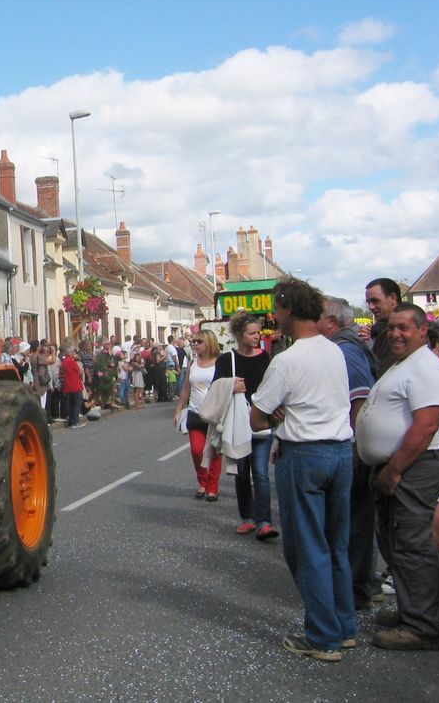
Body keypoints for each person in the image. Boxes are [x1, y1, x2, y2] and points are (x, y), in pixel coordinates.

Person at [250, 277, 354, 663]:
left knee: (308, 547)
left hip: (305, 454)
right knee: (336, 544)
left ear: (288, 309)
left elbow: (257, 419)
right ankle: (343, 628)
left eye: (277, 308)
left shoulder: (287, 360)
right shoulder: (334, 351)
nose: (274, 316)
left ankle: (323, 637)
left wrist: (278, 415)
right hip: (341, 450)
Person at [356, 303, 439, 651]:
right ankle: (412, 610)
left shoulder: (426, 368)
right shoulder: (403, 364)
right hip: (397, 465)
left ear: (422, 331)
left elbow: (425, 425)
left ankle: (422, 628)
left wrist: (395, 468)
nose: (395, 333)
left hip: (415, 466)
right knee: (397, 544)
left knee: (413, 546)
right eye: (391, 327)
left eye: (404, 328)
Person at [316, 296, 379, 611]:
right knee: (354, 521)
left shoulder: (344, 350)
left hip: (353, 449)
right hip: (352, 447)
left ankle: (356, 589)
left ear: (330, 322)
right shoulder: (345, 346)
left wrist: (355, 449)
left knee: (354, 522)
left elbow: (359, 402)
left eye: (317, 317)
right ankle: (360, 585)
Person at [214, 313, 276, 538]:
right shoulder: (226, 359)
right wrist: (231, 386)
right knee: (241, 472)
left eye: (258, 332)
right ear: (240, 335)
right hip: (237, 422)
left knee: (260, 473)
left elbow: (273, 387)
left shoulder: (264, 358)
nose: (257, 336)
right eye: (252, 333)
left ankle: (265, 522)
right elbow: (216, 388)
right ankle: (247, 518)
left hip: (260, 422)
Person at [174, 330, 221, 501]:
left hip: (215, 413)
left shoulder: (220, 363)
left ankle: (212, 486)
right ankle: (202, 480)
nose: (194, 344)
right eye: (193, 341)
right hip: (195, 412)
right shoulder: (193, 362)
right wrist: (179, 409)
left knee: (214, 451)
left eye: (198, 341)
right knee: (197, 450)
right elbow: (186, 388)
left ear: (209, 342)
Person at [360, 277, 401, 377]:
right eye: (368, 302)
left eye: (375, 301)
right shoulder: (382, 331)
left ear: (392, 298)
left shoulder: (401, 332)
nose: (371, 307)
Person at [60, 344, 85, 429]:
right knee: (77, 404)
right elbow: (80, 372)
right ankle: (75, 421)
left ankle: (71, 421)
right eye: (73, 351)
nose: (75, 353)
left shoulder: (64, 362)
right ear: (70, 353)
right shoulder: (71, 361)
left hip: (68, 385)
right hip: (75, 384)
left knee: (71, 404)